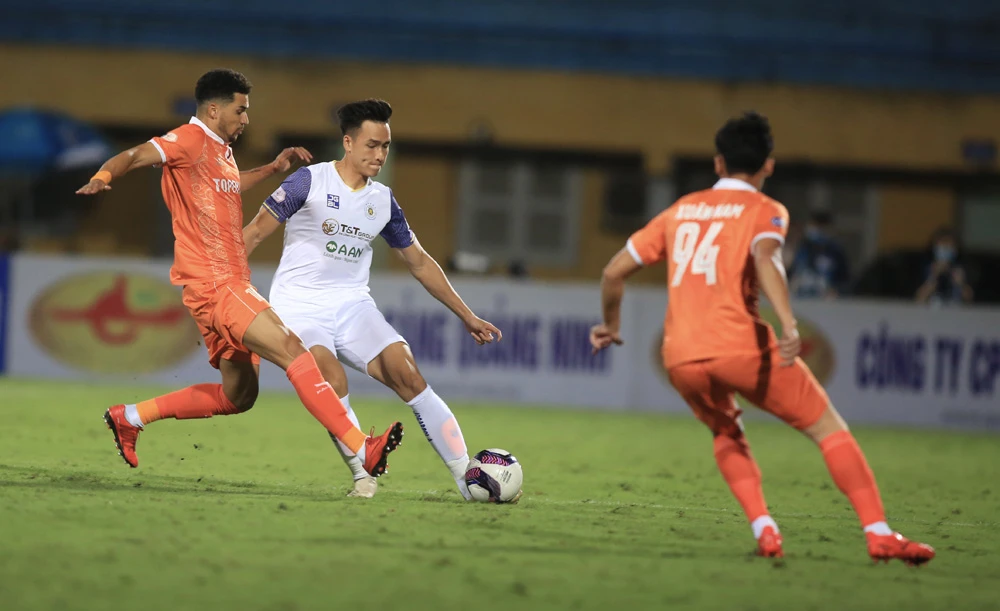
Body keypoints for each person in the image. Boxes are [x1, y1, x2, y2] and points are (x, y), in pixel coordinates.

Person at [589, 111, 934, 565]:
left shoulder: (680, 210)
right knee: (828, 429)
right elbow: (767, 258)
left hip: (681, 356)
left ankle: (764, 528)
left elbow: (613, 272)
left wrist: (611, 326)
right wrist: (789, 322)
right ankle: (879, 534)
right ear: (768, 164)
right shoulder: (765, 211)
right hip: (740, 347)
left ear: (718, 163)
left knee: (726, 430)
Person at [76, 70, 403, 478]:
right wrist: (102, 176)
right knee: (295, 350)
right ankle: (362, 447)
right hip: (218, 282)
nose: (246, 118)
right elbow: (134, 155)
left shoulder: (220, 151)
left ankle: (129, 417)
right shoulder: (188, 139)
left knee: (238, 396)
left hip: (216, 286)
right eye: (241, 110)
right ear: (214, 110)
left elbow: (227, 184)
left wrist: (271, 169)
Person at [243, 99, 501, 499]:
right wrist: (217, 286)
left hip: (353, 307)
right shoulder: (308, 181)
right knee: (332, 380)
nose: (380, 154)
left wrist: (467, 315)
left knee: (408, 374)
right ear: (348, 143)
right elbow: (254, 233)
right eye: (372, 145)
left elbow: (419, 262)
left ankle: (467, 480)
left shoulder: (382, 201)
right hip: (299, 308)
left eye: (385, 146)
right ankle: (363, 476)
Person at [788, 210, 850, 299]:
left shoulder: (836, 252)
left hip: (824, 299)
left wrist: (837, 291)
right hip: (800, 297)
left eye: (820, 227)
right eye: (814, 226)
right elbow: (791, 274)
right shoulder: (801, 248)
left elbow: (844, 280)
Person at [915, 226, 973, 306]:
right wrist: (933, 276)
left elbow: (970, 300)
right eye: (942, 243)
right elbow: (919, 299)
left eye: (949, 245)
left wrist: (960, 284)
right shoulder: (926, 267)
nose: (945, 248)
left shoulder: (962, 268)